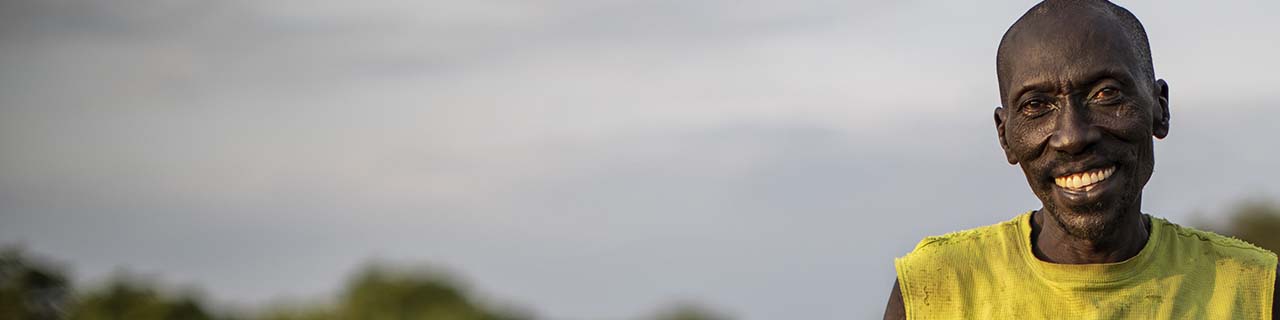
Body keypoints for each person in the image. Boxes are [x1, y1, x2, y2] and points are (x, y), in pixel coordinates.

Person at [882, 1, 1278, 319]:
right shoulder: (934, 291)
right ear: (1005, 136)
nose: (1072, 136)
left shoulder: (1254, 291)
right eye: (1036, 105)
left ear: (1159, 107)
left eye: (1106, 94)